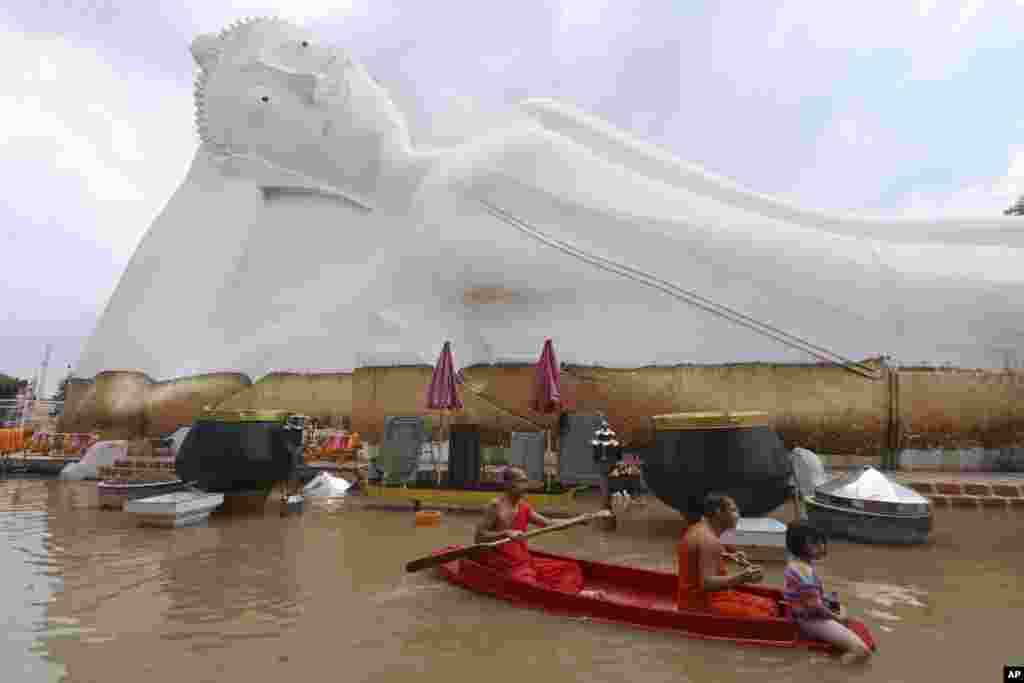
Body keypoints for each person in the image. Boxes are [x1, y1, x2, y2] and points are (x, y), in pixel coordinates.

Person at [474, 466, 585, 593]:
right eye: (520, 481)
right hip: (505, 565)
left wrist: (579, 520)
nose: (525, 486)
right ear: (507, 484)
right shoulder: (495, 506)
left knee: (571, 568)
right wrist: (506, 533)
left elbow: (551, 523)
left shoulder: (524, 507)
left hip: (525, 561)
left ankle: (566, 594)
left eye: (525, 481)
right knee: (530, 585)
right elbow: (479, 537)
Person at [676, 492, 779, 617]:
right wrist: (742, 577)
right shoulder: (708, 540)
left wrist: (730, 555)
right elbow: (707, 583)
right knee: (765, 614)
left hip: (707, 596)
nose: (738, 515)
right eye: (733, 510)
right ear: (719, 512)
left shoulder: (701, 528)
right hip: (701, 604)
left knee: (770, 605)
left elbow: (701, 557)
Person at [784, 521, 871, 663]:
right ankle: (829, 671)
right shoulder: (803, 570)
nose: (822, 547)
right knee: (862, 652)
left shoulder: (796, 562)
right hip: (810, 620)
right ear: (799, 545)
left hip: (804, 613)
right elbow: (815, 608)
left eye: (821, 542)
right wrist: (837, 619)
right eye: (815, 543)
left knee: (841, 607)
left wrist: (829, 603)